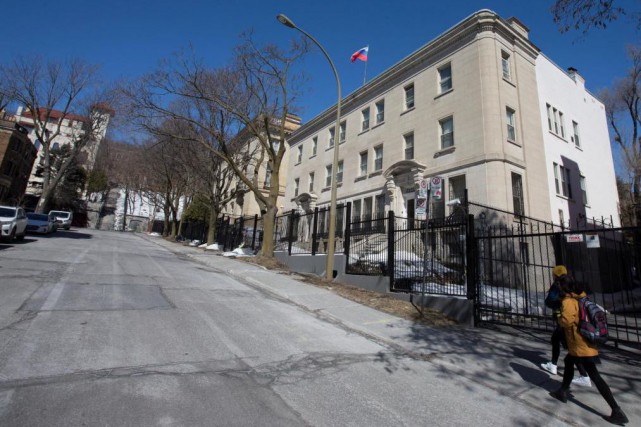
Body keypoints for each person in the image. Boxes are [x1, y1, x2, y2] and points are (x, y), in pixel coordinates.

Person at [549, 279, 629, 425]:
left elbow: (566, 321)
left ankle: (616, 409)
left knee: (594, 375)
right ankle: (563, 391)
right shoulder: (582, 298)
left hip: (579, 344)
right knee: (568, 362)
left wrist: (558, 316)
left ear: (566, 290)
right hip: (583, 343)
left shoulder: (569, 301)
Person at [540, 266, 592, 387]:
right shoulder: (571, 283)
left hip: (565, 319)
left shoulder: (559, 285)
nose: (552, 276)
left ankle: (584, 375)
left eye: (553, 274)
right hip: (569, 319)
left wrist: (556, 304)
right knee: (559, 341)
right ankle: (553, 365)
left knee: (570, 349)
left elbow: (550, 300)